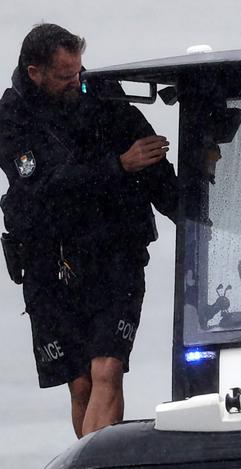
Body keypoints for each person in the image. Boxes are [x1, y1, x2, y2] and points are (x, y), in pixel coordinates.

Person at [0, 24, 176, 438]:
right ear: (34, 73)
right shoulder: (11, 119)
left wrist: (205, 203)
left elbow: (154, 173)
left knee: (107, 369)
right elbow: (44, 186)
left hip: (114, 256)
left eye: (79, 71)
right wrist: (119, 166)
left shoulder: (103, 98)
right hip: (50, 264)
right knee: (80, 383)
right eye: (65, 77)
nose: (77, 82)